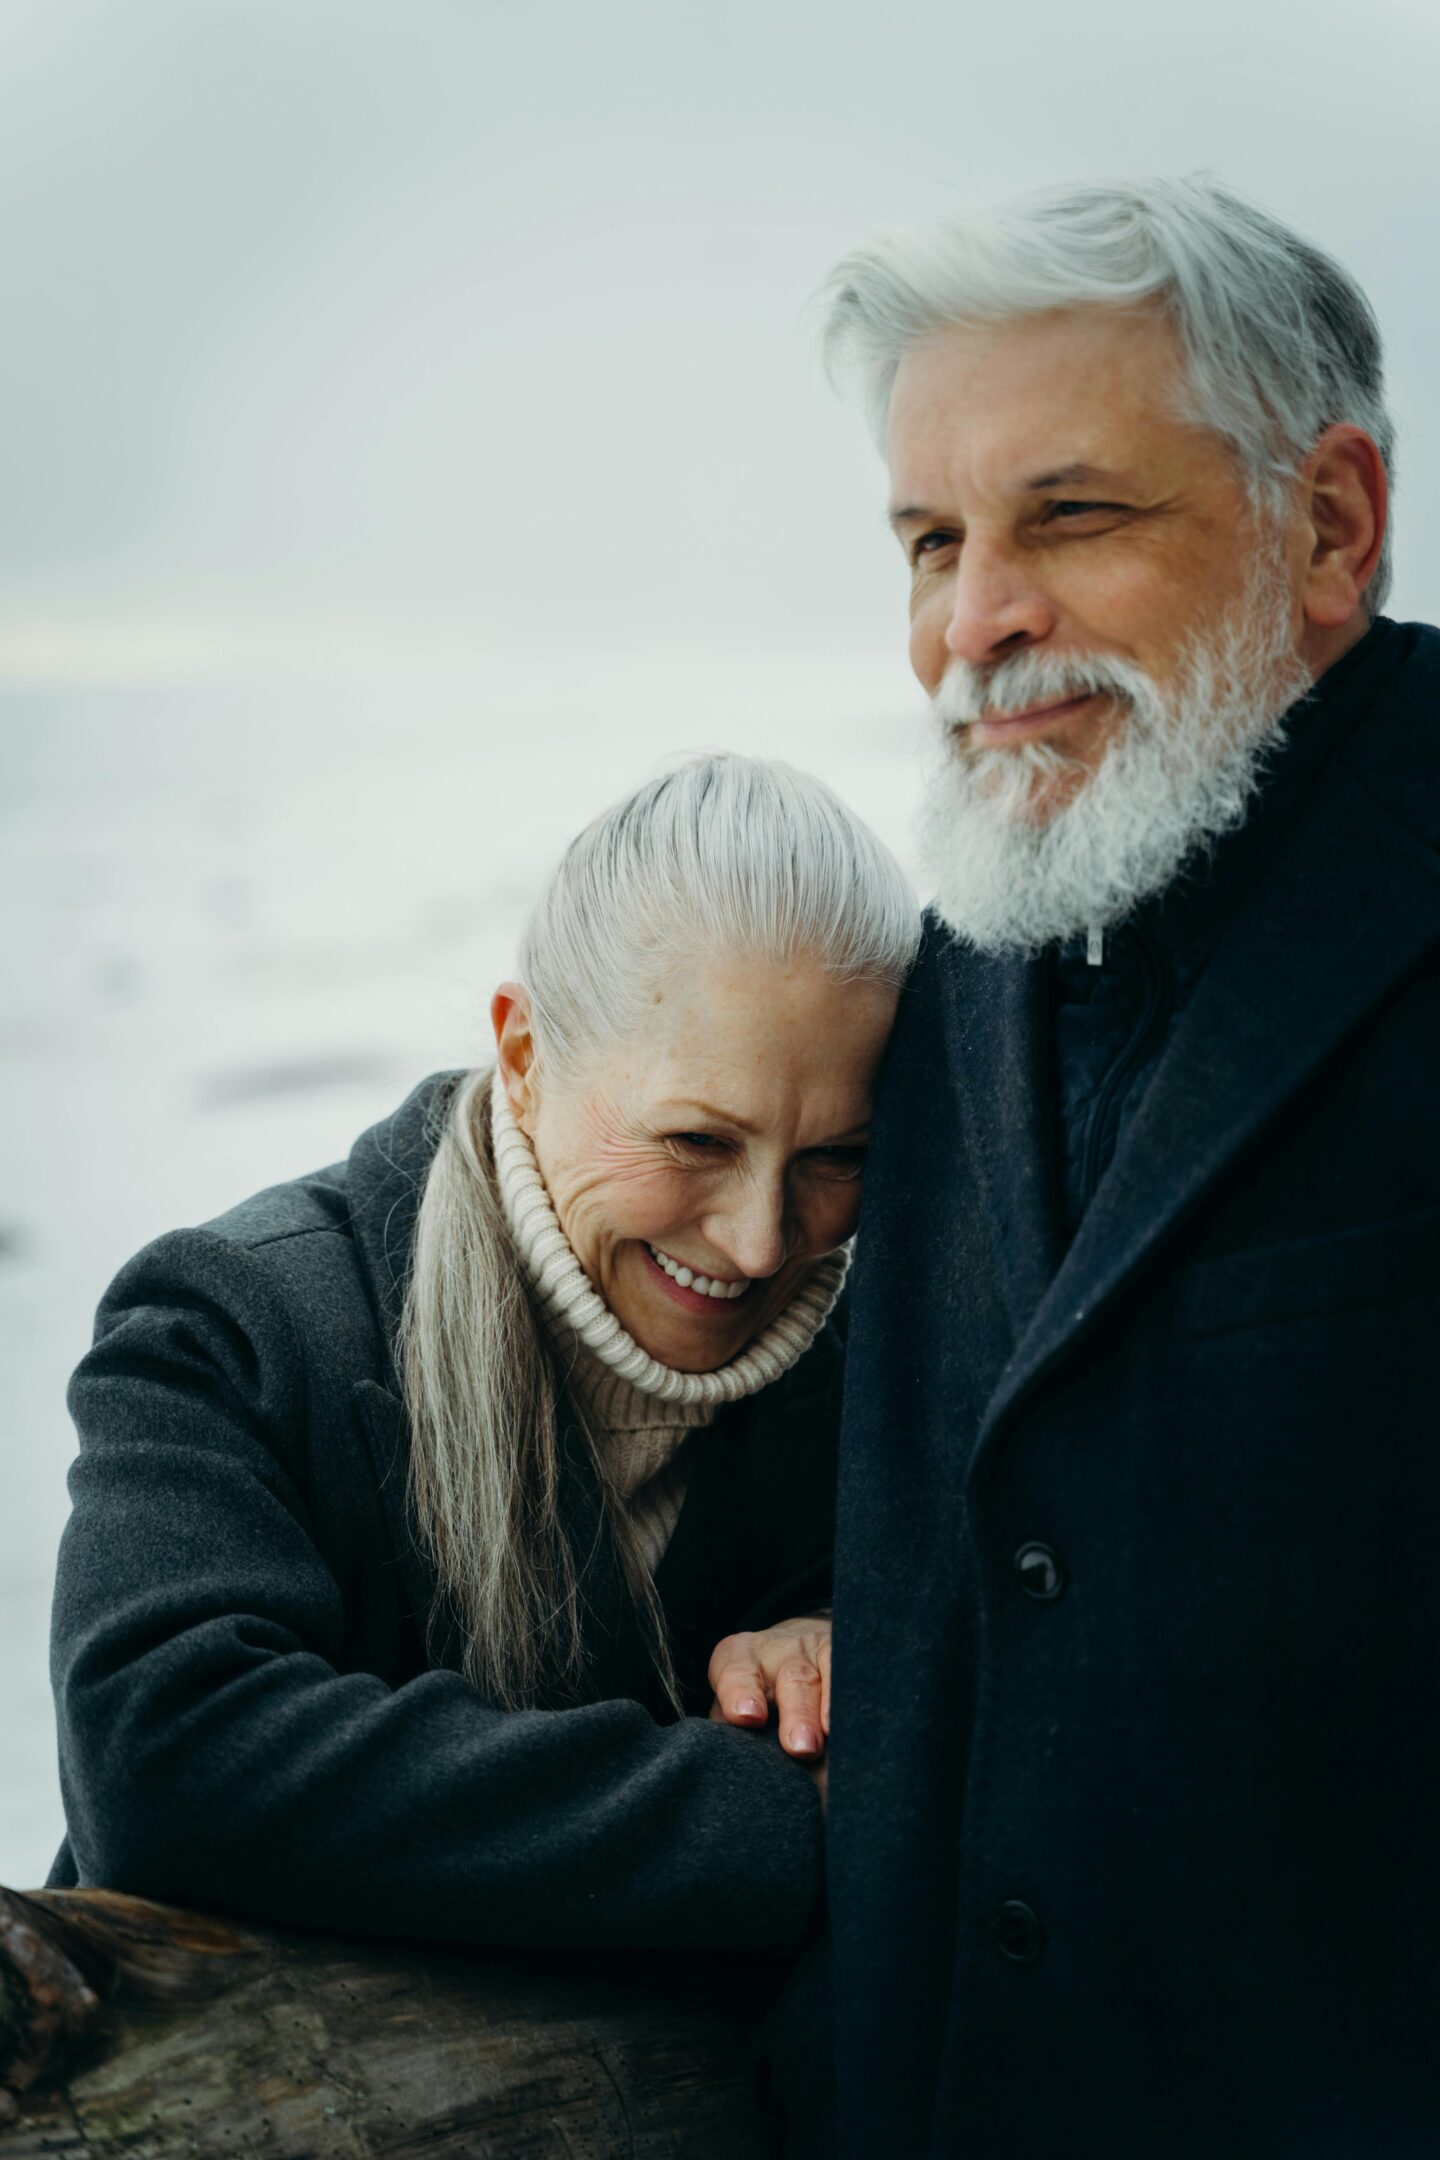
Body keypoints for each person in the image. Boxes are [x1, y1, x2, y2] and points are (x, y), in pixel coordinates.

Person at [811, 177, 1440, 2154]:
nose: (973, 625)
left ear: (1328, 524)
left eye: (1070, 518)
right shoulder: (956, 960)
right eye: (931, 541)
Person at [48, 754, 919, 1954]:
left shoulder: (893, 1374)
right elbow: (165, 1761)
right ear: (522, 1054)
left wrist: (846, 1645)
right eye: (697, 1140)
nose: (764, 1238)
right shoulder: (236, 1324)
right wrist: (780, 1812)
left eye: (837, 1157)